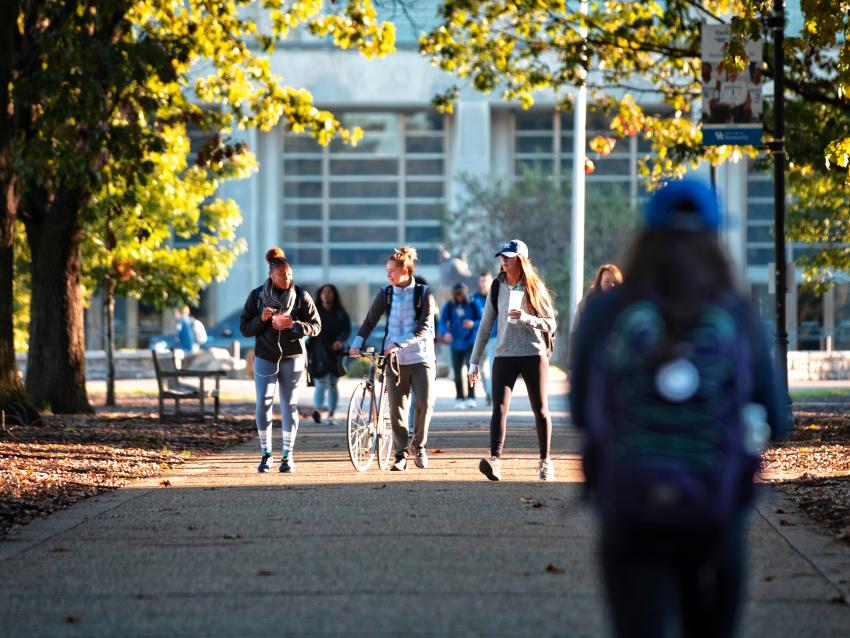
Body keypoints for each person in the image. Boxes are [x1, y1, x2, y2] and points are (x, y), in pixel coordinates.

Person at [569, 180, 788, 638]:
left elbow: (581, 411)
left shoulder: (608, 310)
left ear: (645, 236)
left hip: (630, 504)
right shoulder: (735, 310)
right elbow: (776, 418)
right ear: (714, 238)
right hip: (714, 509)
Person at [468, 239, 557, 482]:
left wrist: (528, 318)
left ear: (522, 260)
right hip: (504, 354)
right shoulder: (497, 286)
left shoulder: (534, 286)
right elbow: (485, 325)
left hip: (533, 353)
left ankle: (545, 461)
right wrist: (474, 362)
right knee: (499, 408)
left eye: (508, 257)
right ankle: (495, 461)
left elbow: (551, 323)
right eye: (502, 257)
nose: (503, 261)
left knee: (540, 410)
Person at [349, 247, 437, 471]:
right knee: (397, 408)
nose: (389, 275)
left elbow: (424, 328)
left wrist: (399, 344)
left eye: (392, 271)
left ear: (406, 270)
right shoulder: (386, 293)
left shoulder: (424, 293)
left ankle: (419, 446)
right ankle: (400, 454)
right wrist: (357, 342)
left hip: (421, 358)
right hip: (394, 361)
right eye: (387, 271)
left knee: (424, 404)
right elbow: (370, 321)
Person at [240, 248, 321, 473]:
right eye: (283, 275)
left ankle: (288, 456)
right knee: (263, 404)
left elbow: (316, 326)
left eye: (290, 275)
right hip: (265, 356)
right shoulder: (257, 296)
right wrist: (262, 319)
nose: (288, 279)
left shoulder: (302, 296)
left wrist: (295, 325)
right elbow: (245, 328)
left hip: (292, 357)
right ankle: (266, 454)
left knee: (288, 405)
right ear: (271, 275)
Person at [307, 284, 351, 425]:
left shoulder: (341, 313)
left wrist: (340, 341)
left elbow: (347, 330)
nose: (327, 295)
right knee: (320, 382)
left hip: (336, 353)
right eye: (324, 292)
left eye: (330, 292)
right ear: (320, 295)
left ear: (334, 295)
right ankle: (318, 410)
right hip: (318, 352)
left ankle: (331, 413)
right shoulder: (314, 311)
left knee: (333, 383)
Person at [568, 264, 623, 370]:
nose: (611, 285)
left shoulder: (626, 303)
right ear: (599, 282)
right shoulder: (588, 303)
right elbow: (577, 333)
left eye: (615, 282)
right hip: (594, 362)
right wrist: (573, 365)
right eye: (607, 281)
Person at [440, 282, 482, 409]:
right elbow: (442, 322)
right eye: (457, 295)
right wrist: (445, 333)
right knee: (457, 372)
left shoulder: (473, 303)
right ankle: (459, 397)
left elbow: (483, 320)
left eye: (461, 295)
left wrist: (473, 324)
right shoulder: (449, 305)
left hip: (470, 341)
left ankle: (471, 397)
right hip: (455, 343)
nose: (459, 298)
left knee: (471, 370)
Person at [471, 271, 497, 405]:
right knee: (482, 369)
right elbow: (474, 318)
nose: (484, 283)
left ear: (491, 281)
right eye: (482, 281)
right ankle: (488, 392)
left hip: (494, 336)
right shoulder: (473, 298)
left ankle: (491, 394)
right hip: (480, 339)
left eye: (486, 280)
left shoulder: (497, 297)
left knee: (492, 366)